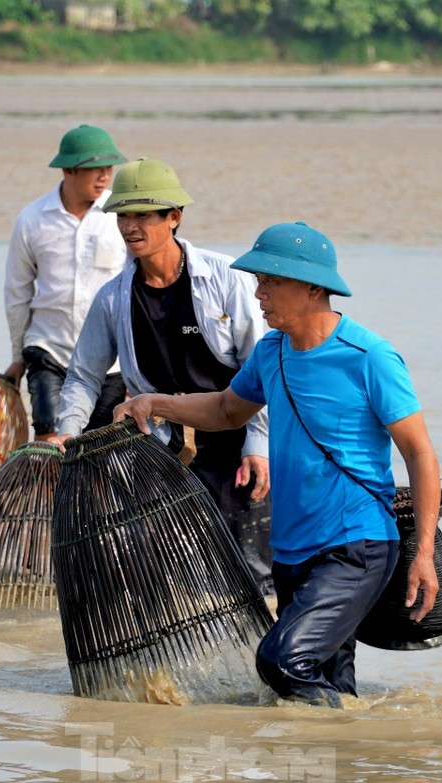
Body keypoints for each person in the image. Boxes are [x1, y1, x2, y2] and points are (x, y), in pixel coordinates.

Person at [113, 221, 442, 708]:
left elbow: (419, 452)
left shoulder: (368, 356)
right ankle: (343, 762)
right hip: (290, 550)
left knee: (280, 661)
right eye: (258, 280)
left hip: (357, 543)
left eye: (271, 281)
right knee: (323, 676)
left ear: (313, 288)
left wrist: (424, 552)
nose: (258, 292)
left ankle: (354, 737)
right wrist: (154, 402)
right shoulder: (272, 352)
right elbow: (227, 410)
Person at [54, 157, 274, 594]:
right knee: (168, 571)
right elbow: (83, 376)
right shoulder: (114, 298)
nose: (130, 227)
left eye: (144, 215)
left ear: (173, 217)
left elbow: (261, 367)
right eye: (123, 216)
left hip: (235, 441)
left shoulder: (225, 279)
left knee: (254, 573)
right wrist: (66, 433)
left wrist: (260, 445)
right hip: (161, 449)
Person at [3, 125, 128, 440]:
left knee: (99, 454)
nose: (105, 176)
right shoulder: (32, 220)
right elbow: (17, 294)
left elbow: (139, 290)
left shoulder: (122, 217)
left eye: (108, 168)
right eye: (94, 168)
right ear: (69, 169)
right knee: (50, 446)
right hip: (49, 351)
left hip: (109, 362)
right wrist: (18, 357)